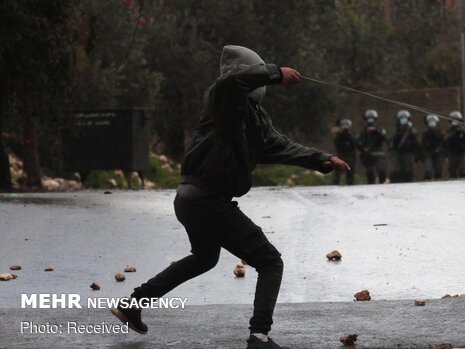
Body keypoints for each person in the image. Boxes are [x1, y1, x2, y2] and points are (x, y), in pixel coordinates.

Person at [111, 45, 350, 349]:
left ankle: (134, 304)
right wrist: (276, 72)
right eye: (259, 78)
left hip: (193, 201)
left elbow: (280, 146)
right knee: (270, 261)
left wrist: (322, 158)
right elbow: (232, 82)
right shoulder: (221, 99)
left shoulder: (252, 116)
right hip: (206, 201)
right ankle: (259, 335)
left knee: (204, 258)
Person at [389, 110, 421, 183]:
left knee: (408, 171)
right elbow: (390, 141)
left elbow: (417, 143)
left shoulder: (412, 131)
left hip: (408, 153)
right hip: (397, 153)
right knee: (396, 171)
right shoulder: (395, 130)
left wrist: (417, 154)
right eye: (402, 119)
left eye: (405, 118)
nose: (403, 120)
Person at [356, 109, 388, 184]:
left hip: (378, 152)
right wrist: (363, 148)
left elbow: (385, 138)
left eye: (372, 119)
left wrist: (377, 132)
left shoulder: (380, 129)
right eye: (369, 119)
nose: (370, 121)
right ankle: (371, 184)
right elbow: (357, 142)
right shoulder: (362, 131)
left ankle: (382, 183)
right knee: (369, 172)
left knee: (381, 170)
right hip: (367, 153)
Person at [445, 111, 465, 179]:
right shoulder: (449, 129)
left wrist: (462, 131)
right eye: (453, 119)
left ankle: (464, 175)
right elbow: (446, 139)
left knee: (462, 166)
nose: (455, 121)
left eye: (457, 119)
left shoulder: (463, 128)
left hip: (461, 150)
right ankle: (453, 177)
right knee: (452, 167)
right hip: (452, 151)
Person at [332, 118, 356, 185]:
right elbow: (335, 143)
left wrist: (348, 135)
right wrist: (339, 133)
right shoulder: (338, 135)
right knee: (337, 171)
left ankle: (350, 184)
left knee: (350, 171)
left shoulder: (350, 136)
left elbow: (355, 144)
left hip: (350, 155)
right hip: (340, 155)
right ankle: (334, 185)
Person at [421, 114, 444, 180]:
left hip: (438, 153)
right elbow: (422, 145)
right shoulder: (425, 133)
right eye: (430, 122)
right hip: (428, 153)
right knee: (429, 170)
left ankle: (438, 180)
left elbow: (443, 144)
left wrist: (443, 153)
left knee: (438, 169)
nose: (432, 123)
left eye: (433, 121)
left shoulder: (440, 133)